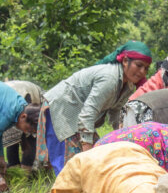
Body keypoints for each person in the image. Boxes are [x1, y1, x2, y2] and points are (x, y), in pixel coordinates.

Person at [35, 41, 152, 175]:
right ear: (125, 61)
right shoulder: (110, 79)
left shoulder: (129, 85)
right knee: (70, 162)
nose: (142, 72)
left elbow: (116, 112)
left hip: (79, 113)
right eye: (139, 65)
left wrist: (123, 137)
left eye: (146, 68)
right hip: (61, 108)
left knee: (98, 155)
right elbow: (87, 114)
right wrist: (87, 149)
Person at [2, 80, 45, 170]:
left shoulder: (33, 111)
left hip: (29, 96)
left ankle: (25, 171)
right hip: (8, 102)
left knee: (31, 137)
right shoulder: (8, 112)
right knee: (12, 139)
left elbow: (32, 136)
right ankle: (15, 167)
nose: (25, 131)